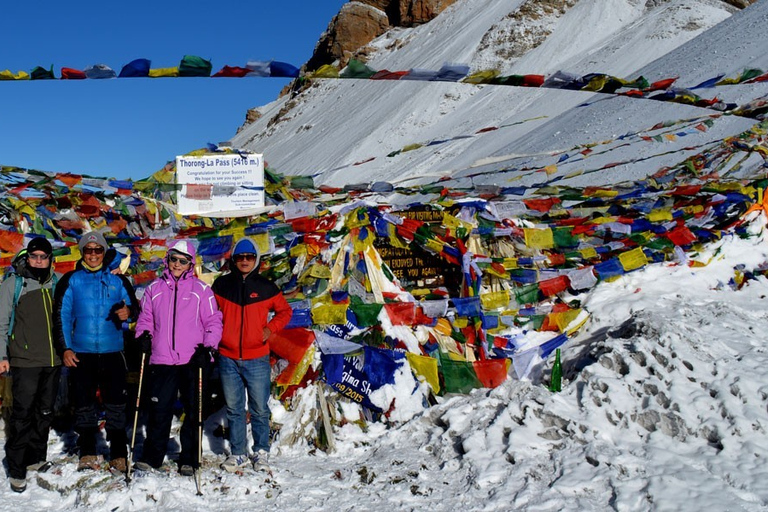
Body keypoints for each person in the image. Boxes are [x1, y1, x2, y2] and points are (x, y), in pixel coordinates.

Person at [133, 240, 222, 476]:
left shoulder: (202, 291)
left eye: (183, 261)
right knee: (158, 410)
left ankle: (189, 459)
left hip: (193, 360)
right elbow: (145, 320)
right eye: (173, 259)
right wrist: (143, 336)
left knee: (194, 412)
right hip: (162, 360)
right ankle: (153, 457)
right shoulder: (154, 290)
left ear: (190, 264)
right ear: (167, 259)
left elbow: (213, 322)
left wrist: (208, 348)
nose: (177, 264)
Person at [53, 231, 138, 473]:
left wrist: (128, 313)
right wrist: (65, 349)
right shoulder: (71, 280)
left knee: (116, 404)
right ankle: (88, 451)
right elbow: (61, 316)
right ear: (82, 252)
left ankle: (119, 453)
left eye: (97, 250)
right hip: (82, 352)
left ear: (103, 252)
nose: (93, 254)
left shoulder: (117, 281)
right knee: (84, 405)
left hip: (113, 352)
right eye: (88, 250)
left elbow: (135, 308)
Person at [212, 237, 292, 472]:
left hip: (257, 358)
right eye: (240, 257)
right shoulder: (221, 285)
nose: (244, 261)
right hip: (227, 358)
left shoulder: (266, 287)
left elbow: (285, 312)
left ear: (256, 259)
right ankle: (238, 453)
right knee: (234, 409)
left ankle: (261, 451)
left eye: (249, 257)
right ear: (234, 260)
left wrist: (270, 329)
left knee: (259, 408)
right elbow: (210, 314)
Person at [0, 238, 60, 492]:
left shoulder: (56, 283)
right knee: (22, 415)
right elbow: (2, 322)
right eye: (34, 256)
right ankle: (17, 468)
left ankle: (36, 457)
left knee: (44, 412)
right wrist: (2, 356)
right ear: (27, 258)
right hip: (24, 360)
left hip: (53, 360)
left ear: (49, 259)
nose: (38, 261)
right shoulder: (15, 283)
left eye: (43, 256)